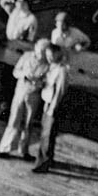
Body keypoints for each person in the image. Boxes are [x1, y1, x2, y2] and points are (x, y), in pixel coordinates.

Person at [0, 38, 50, 160]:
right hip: (21, 91)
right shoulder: (26, 56)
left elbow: (46, 81)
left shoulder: (47, 64)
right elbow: (15, 72)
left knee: (28, 123)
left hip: (34, 95)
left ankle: (23, 150)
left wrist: (37, 82)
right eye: (39, 49)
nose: (40, 52)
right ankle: (4, 148)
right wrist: (24, 75)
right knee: (14, 120)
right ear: (36, 47)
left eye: (43, 50)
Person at [31, 43, 68, 173]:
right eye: (47, 55)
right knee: (46, 134)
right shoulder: (52, 67)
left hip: (53, 105)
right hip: (47, 103)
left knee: (47, 135)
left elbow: (60, 91)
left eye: (51, 55)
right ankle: (48, 159)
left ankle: (42, 163)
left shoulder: (61, 70)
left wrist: (52, 108)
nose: (49, 58)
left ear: (58, 54)